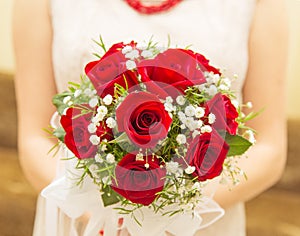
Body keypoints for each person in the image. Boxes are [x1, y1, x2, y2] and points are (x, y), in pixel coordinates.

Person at [13, 0, 288, 235]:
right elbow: (34, 138)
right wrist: (105, 215)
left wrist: (169, 213)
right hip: (85, 222)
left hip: (202, 222)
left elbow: (269, 147)